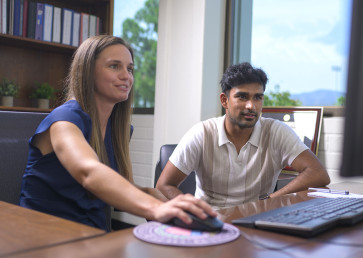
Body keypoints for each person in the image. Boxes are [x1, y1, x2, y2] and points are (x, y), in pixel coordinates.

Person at [19, 35, 216, 231]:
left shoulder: (118, 129)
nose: (126, 76)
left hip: (92, 236)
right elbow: (89, 172)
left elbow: (126, 187)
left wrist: (178, 207)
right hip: (44, 236)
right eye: (114, 66)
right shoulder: (64, 119)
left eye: (130, 69)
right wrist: (155, 208)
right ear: (87, 72)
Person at [156, 62, 330, 208]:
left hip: (258, 220)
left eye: (257, 98)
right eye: (242, 97)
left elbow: (318, 173)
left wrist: (270, 200)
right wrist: (195, 210)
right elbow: (164, 185)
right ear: (225, 100)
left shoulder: (277, 132)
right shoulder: (201, 133)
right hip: (212, 222)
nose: (251, 106)